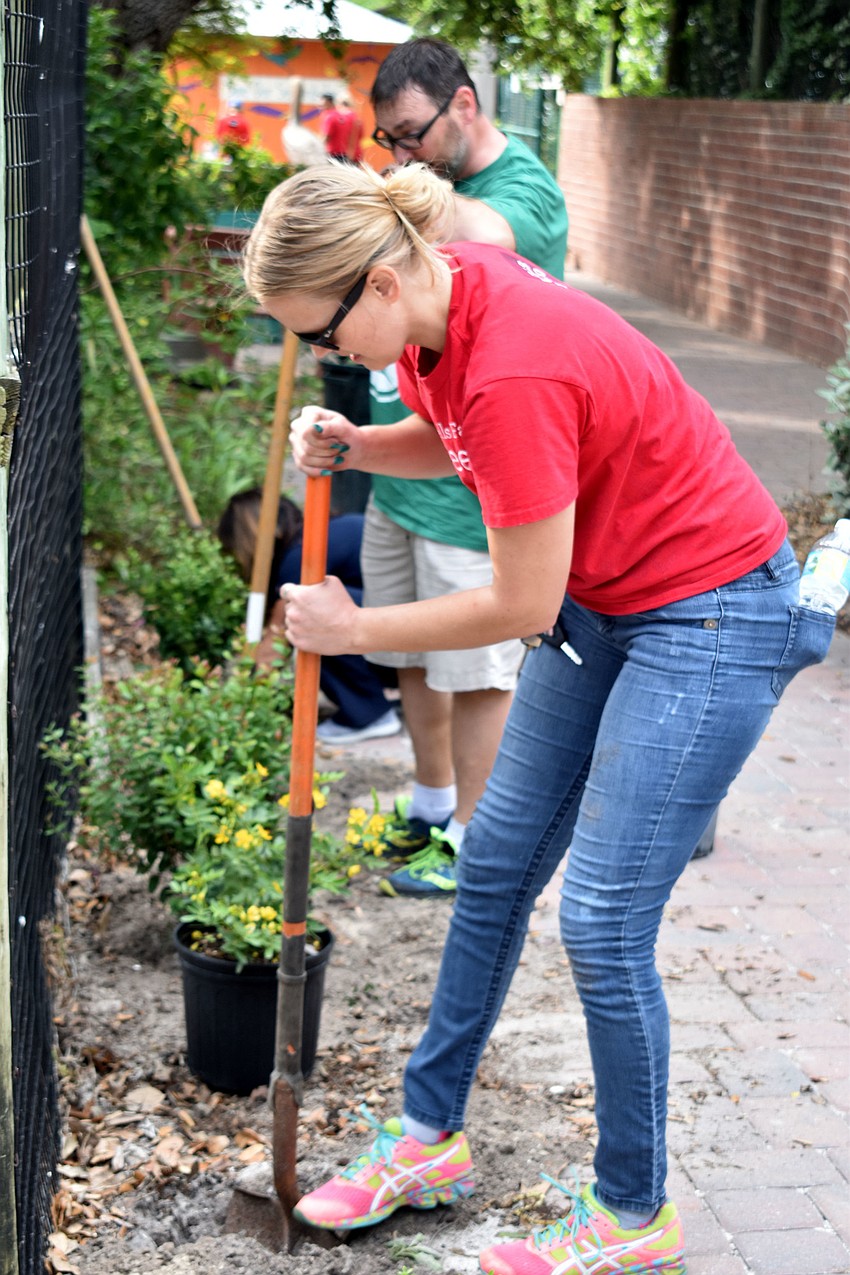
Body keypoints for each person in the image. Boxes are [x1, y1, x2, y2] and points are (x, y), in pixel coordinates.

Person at [241, 161, 835, 1275]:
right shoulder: (436, 310)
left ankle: (630, 1212)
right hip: (606, 603)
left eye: (318, 332)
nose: (326, 357)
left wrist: (348, 629)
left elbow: (515, 598)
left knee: (603, 920)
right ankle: (429, 1138)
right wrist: (364, 447)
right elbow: (471, 446)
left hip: (706, 613)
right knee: (496, 860)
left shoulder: (512, 354)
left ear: (372, 282)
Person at [359, 37, 569, 897]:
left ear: (466, 106)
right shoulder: (424, 167)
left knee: (479, 672)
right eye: (389, 143)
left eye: (411, 135)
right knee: (415, 659)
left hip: (472, 489)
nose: (401, 155)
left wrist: (388, 197)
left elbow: (485, 232)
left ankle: (475, 845)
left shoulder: (524, 190)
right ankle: (431, 807)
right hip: (402, 473)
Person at [217, 488, 400, 744]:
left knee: (310, 615)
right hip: (417, 636)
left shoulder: (299, 560)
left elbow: (274, 647)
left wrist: (240, 707)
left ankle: (367, 714)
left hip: (406, 640)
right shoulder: (320, 535)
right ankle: (369, 703)